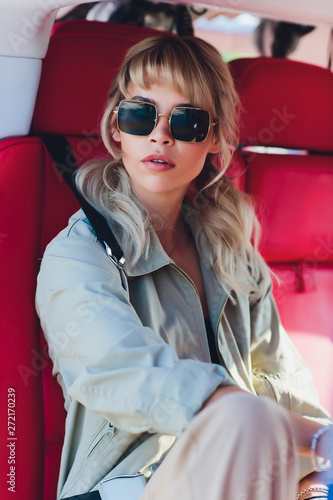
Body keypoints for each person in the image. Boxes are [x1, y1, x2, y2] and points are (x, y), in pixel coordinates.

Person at [36, 34, 333, 500]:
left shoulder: (234, 256)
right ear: (116, 129)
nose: (160, 135)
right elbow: (126, 374)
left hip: (242, 473)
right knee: (245, 419)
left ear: (213, 138)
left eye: (187, 121)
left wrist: (316, 472)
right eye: (140, 114)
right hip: (126, 487)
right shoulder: (78, 253)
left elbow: (284, 386)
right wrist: (284, 431)